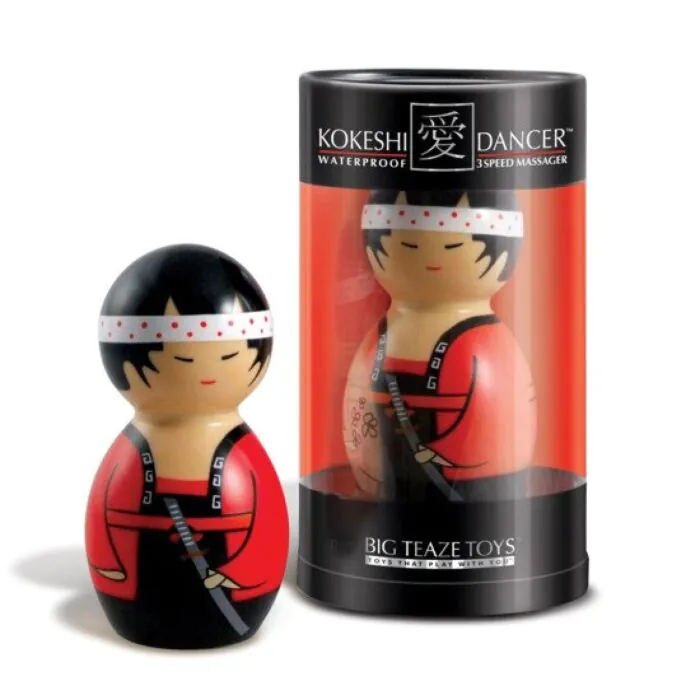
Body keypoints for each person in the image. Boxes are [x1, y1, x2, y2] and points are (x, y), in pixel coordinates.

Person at [86, 244, 288, 648]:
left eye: (229, 356)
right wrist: (112, 565)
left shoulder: (241, 453)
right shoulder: (134, 447)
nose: (208, 372)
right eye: (183, 361)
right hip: (145, 562)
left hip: (223, 567)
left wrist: (236, 573)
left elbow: (265, 529)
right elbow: (105, 517)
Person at [344, 191, 537, 501]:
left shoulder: (487, 342)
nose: (432, 259)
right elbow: (358, 409)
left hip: (474, 486)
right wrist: (366, 461)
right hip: (390, 477)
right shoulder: (383, 335)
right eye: (409, 246)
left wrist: (440, 451)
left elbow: (497, 422)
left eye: (453, 247)